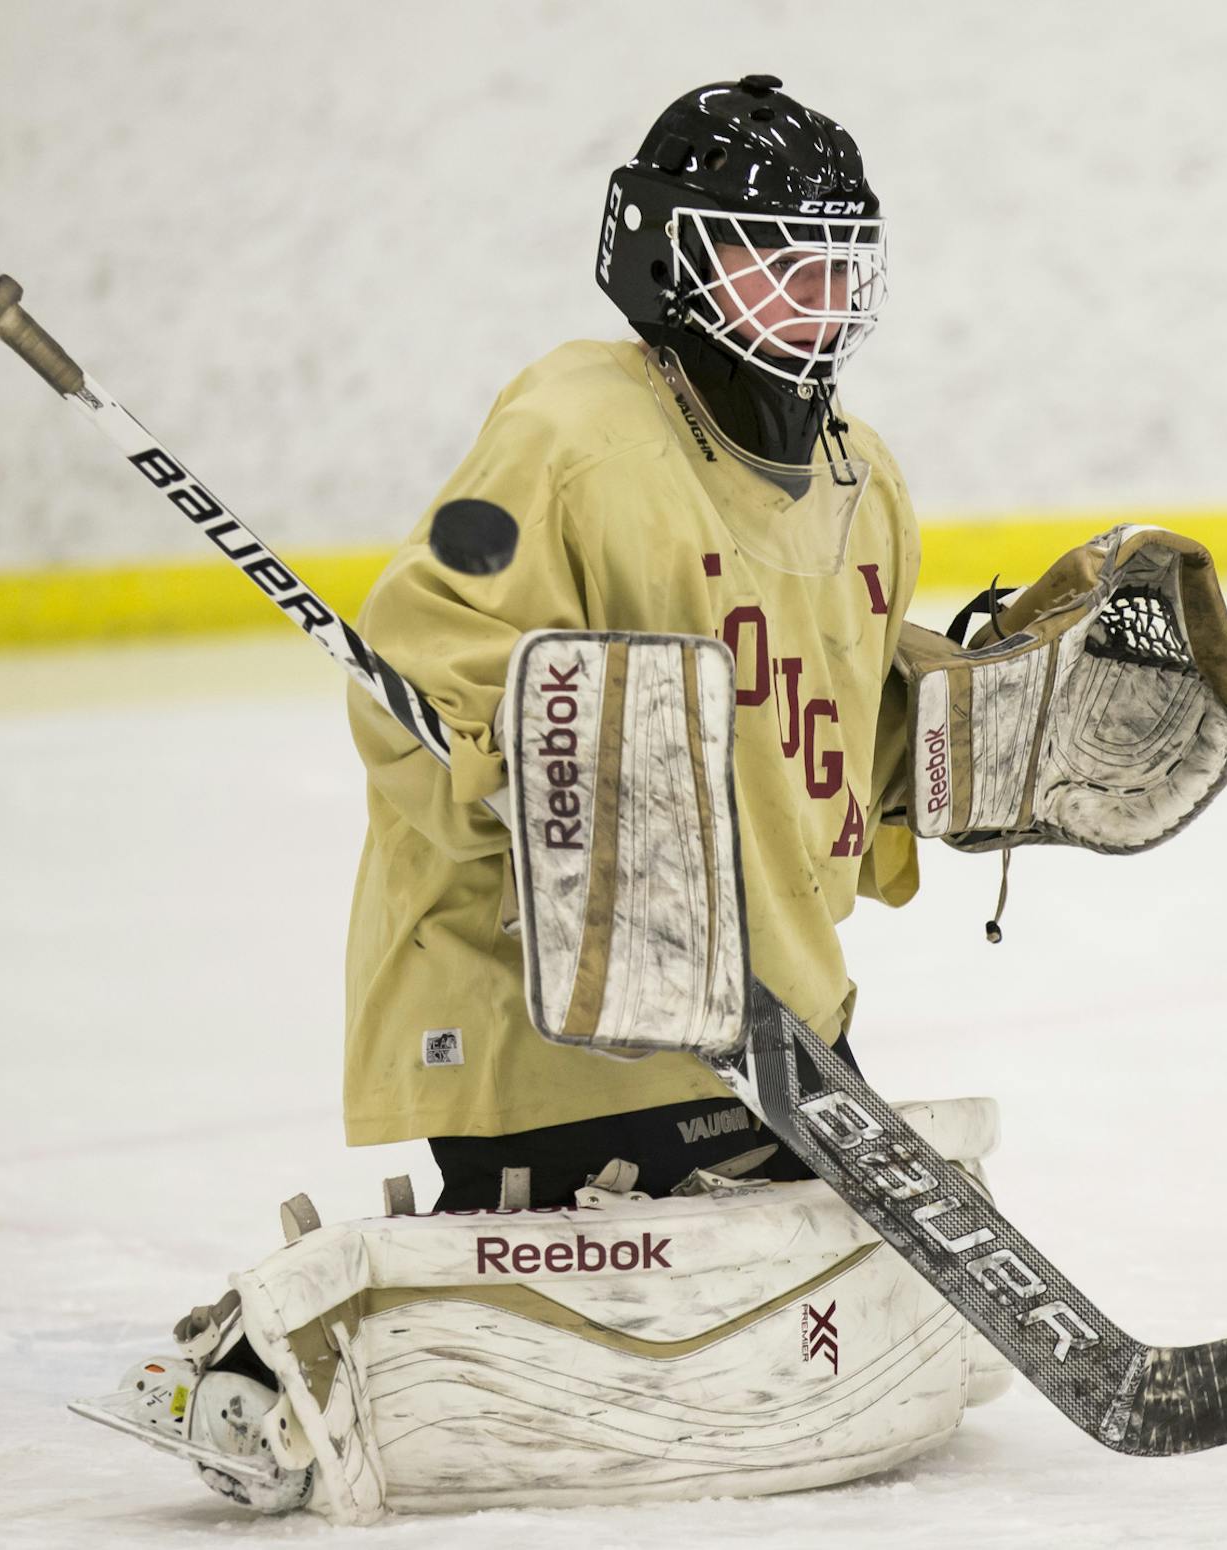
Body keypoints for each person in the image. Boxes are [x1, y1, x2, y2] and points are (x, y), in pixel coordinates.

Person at [341, 74, 921, 1209]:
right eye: (777, 257)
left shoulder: (866, 477)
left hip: (775, 1019)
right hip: (558, 1022)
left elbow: (828, 756)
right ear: (670, 261)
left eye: (838, 262)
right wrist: (541, 784)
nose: (820, 292)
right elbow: (413, 657)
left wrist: (963, 739)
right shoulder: (570, 430)